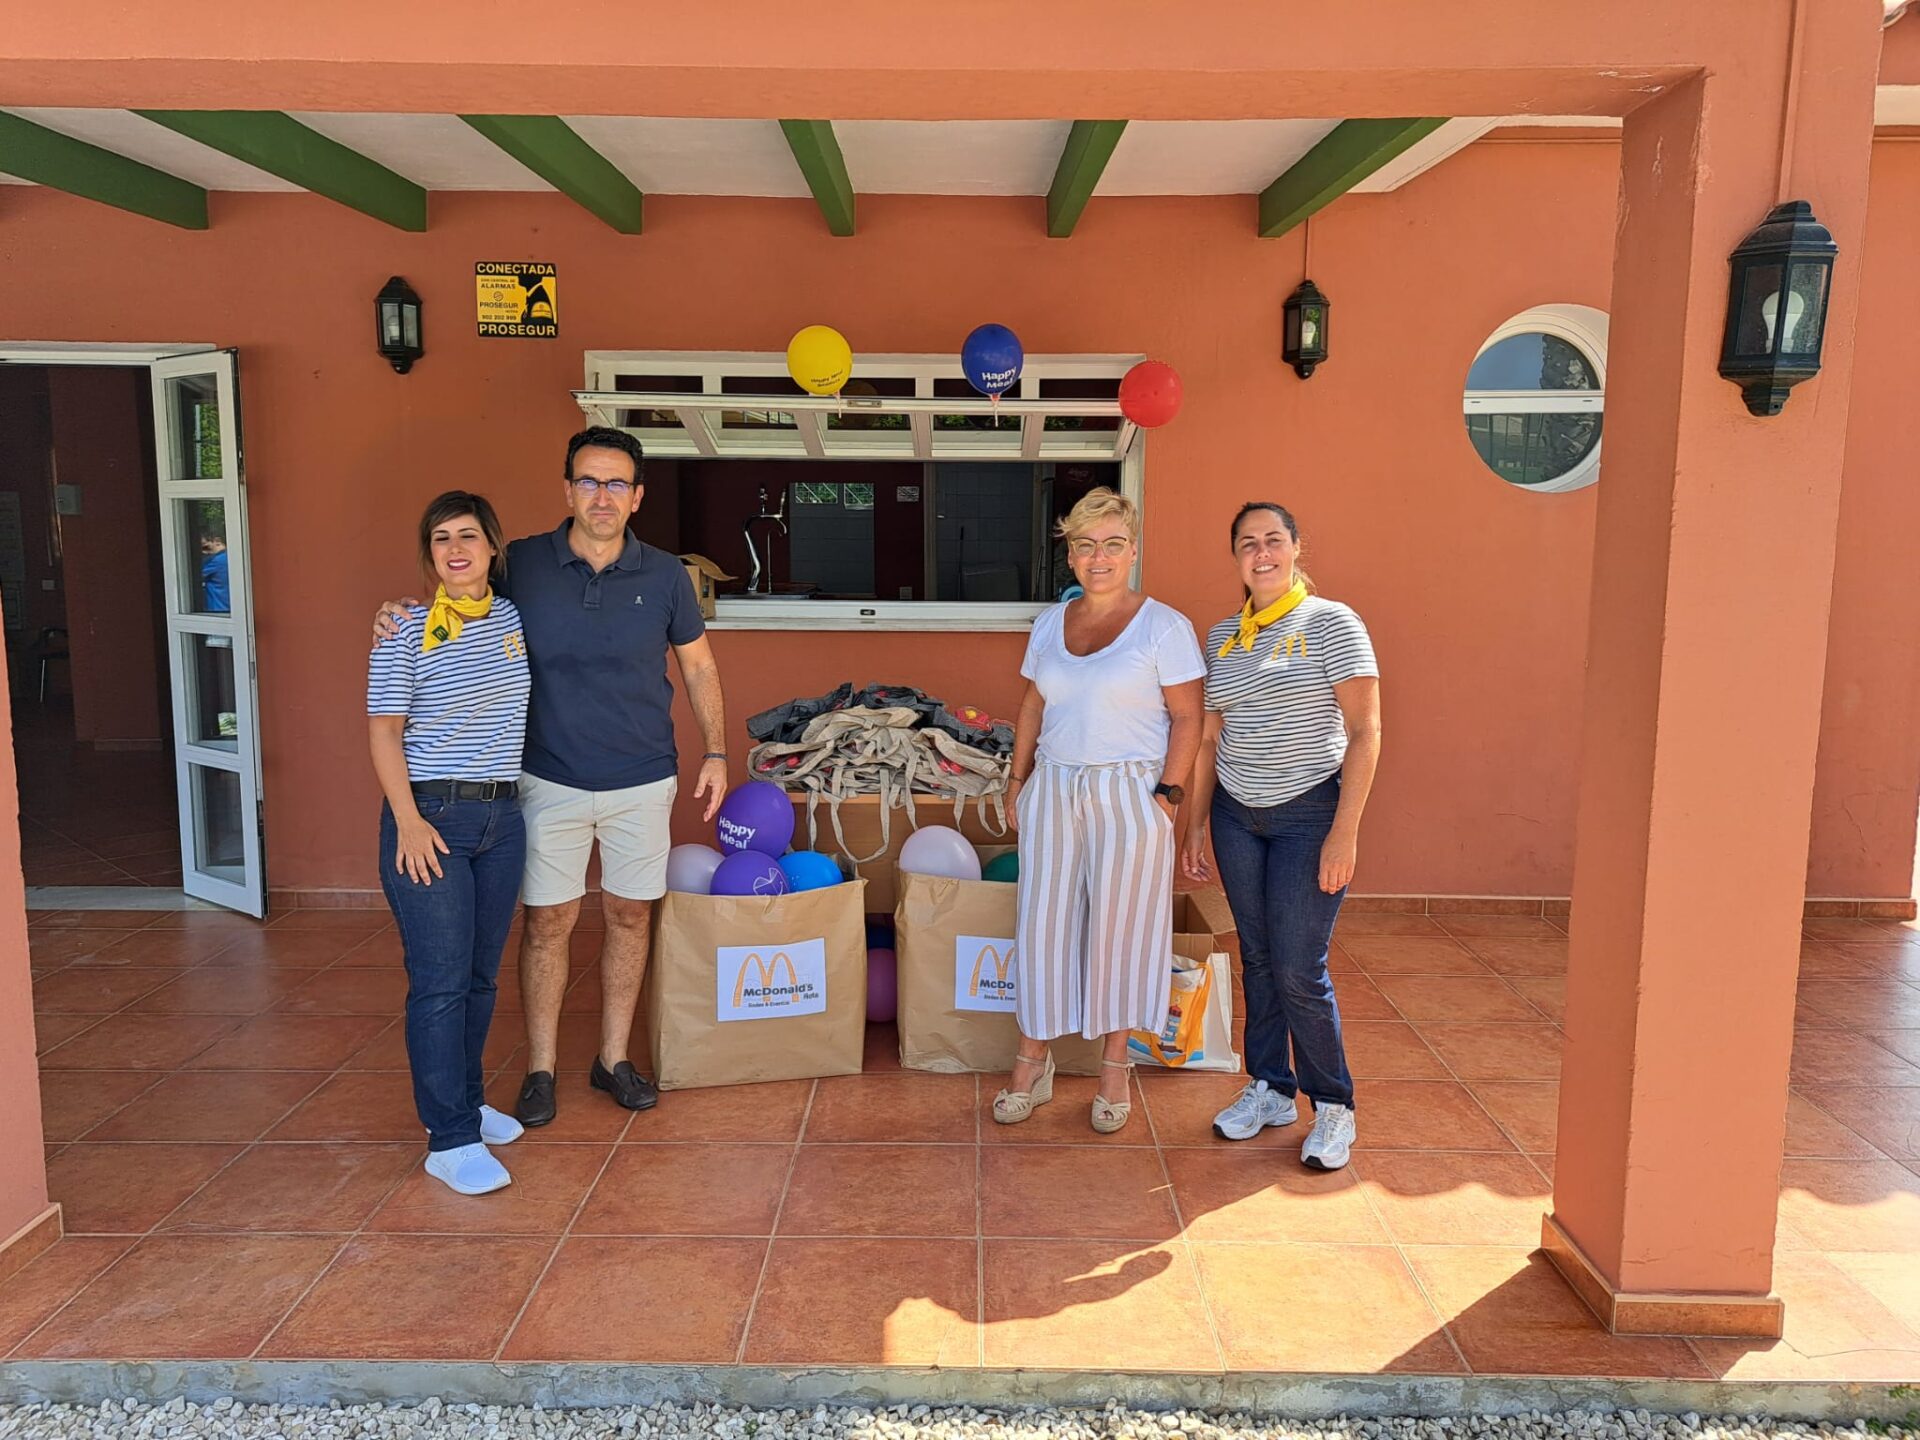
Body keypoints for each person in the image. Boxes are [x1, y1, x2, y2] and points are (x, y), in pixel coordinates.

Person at [374, 427, 729, 1127]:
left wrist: (716, 750)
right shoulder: (523, 563)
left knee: (630, 916)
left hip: (641, 777)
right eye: (589, 482)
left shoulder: (664, 575)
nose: (602, 496)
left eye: (617, 483)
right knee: (548, 924)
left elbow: (699, 666)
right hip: (544, 779)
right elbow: (461, 591)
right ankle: (539, 1068)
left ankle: (612, 1058)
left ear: (637, 497)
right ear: (567, 489)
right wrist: (399, 614)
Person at [995, 487, 1205, 1133]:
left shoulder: (1164, 626)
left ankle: (1116, 1065)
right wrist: (1017, 777)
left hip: (1130, 792)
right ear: (1071, 554)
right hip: (1055, 786)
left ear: (1133, 550)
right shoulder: (1049, 626)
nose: (1099, 556)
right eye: (1085, 545)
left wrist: (1167, 800)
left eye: (1112, 543)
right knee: (1043, 924)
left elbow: (1188, 718)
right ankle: (1034, 1059)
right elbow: (1034, 704)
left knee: (1121, 930)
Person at [1180, 502, 1382, 1171]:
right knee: (1259, 961)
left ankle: (1334, 1105)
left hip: (1308, 815)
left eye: (1273, 540)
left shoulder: (1332, 623)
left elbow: (1365, 731)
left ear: (1297, 547)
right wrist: (1195, 825)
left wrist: (1344, 832)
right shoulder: (1222, 638)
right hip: (1238, 815)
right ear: (1235, 556)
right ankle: (1270, 1086)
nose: (1261, 553)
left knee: (1300, 969)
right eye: (1247, 543)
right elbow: (1211, 737)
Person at [368, 491, 530, 1195]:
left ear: (494, 548)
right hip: (431, 817)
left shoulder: (512, 618)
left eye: (469, 536)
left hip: (502, 819)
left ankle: (469, 1102)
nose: (456, 549)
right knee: (438, 985)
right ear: (429, 554)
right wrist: (408, 819)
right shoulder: (405, 629)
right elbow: (383, 730)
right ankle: (449, 1138)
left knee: (480, 977)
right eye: (441, 539)